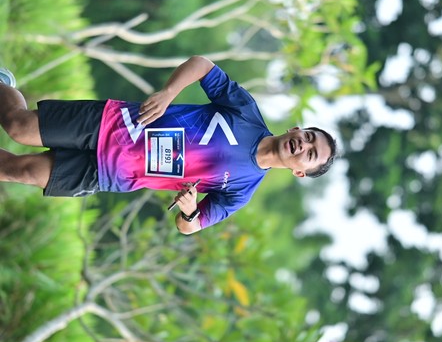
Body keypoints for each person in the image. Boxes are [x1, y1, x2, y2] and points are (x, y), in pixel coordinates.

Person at [0, 57, 337, 234]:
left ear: (300, 172)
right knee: (18, 126)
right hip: (116, 124)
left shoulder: (242, 190)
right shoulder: (245, 112)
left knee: (20, 171)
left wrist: (190, 209)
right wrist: (168, 93)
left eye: (310, 154)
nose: (302, 145)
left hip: (110, 175)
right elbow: (202, 65)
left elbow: (189, 227)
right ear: (297, 128)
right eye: (308, 137)